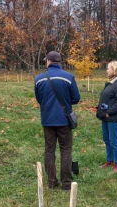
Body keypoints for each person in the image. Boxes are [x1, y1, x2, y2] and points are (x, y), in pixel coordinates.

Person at [35, 51, 80, 190]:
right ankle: (66, 183)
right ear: (59, 62)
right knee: (66, 150)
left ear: (48, 61)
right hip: (64, 120)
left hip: (47, 119)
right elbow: (76, 98)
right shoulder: (68, 77)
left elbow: (39, 99)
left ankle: (52, 182)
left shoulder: (39, 79)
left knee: (49, 150)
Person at [96, 61, 117, 173]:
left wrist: (109, 112)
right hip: (105, 116)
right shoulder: (112, 82)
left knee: (114, 140)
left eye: (108, 68)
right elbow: (109, 98)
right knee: (107, 139)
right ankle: (109, 160)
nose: (106, 70)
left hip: (113, 117)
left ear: (114, 70)